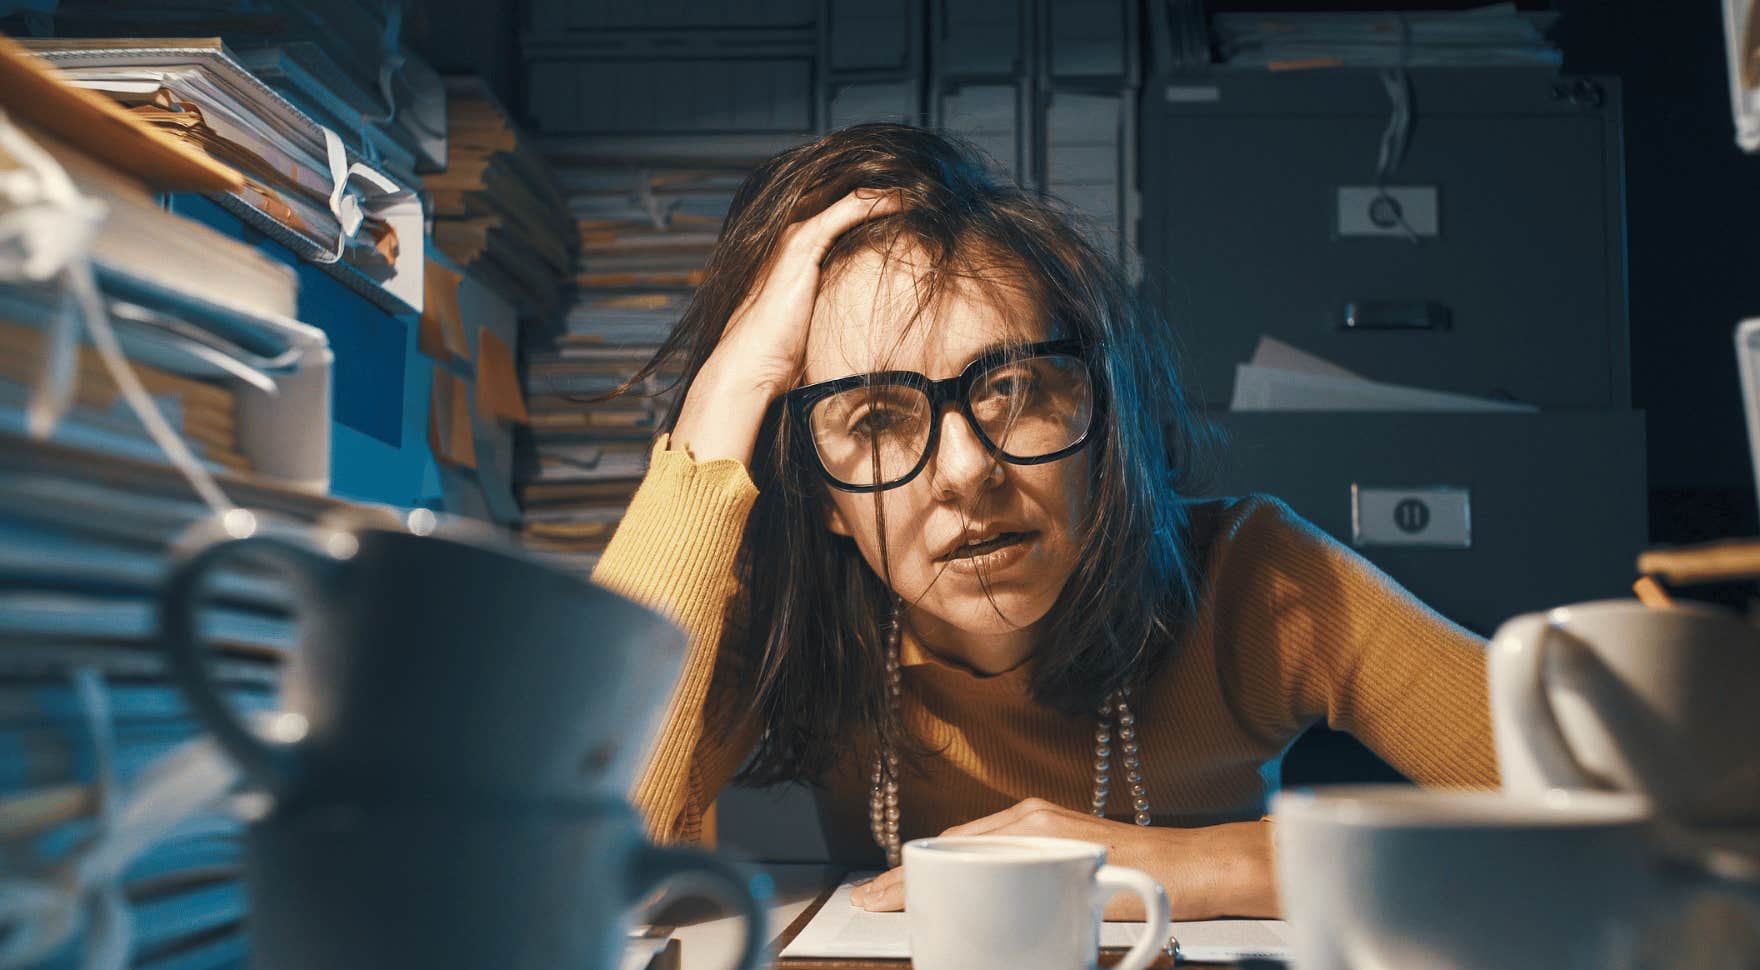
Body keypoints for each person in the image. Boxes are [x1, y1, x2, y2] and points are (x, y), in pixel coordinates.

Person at [592, 124, 1496, 920]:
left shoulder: (1259, 578)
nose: (966, 470)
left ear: (1099, 419)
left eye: (1014, 390)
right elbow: (557, 866)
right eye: (875, 419)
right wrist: (726, 392)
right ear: (820, 495)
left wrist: (1206, 862)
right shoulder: (789, 621)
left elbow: (1628, 810)